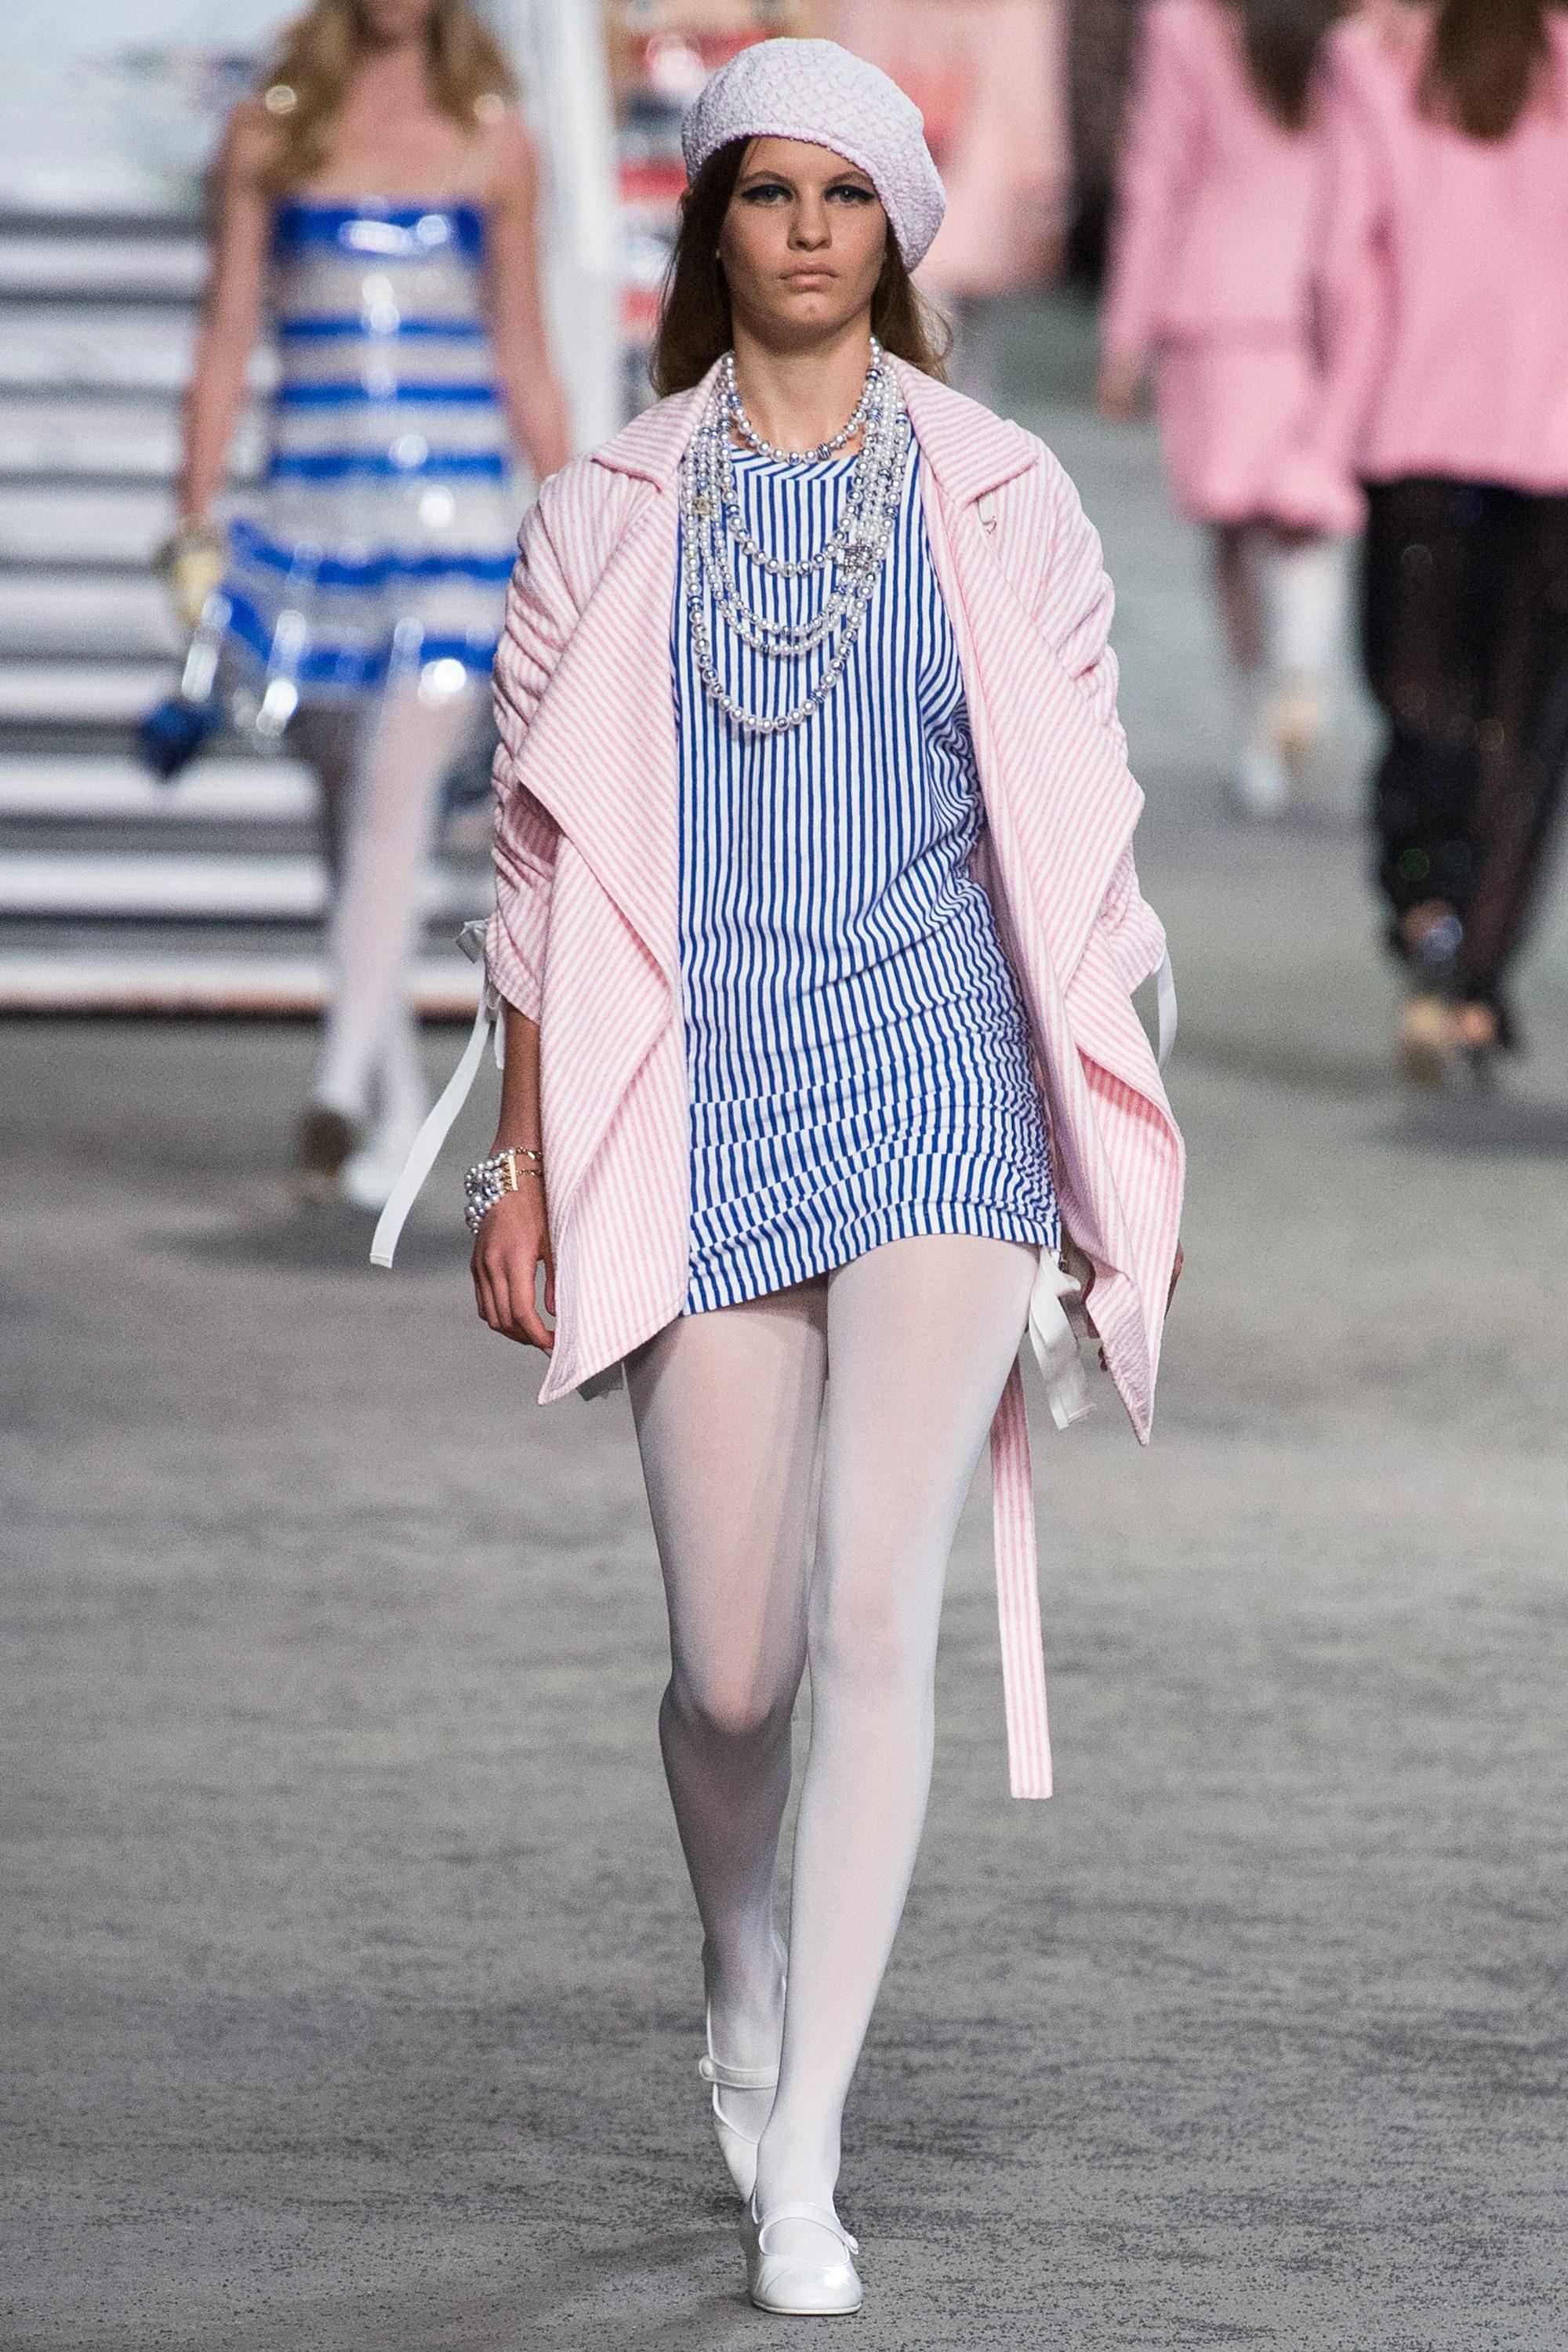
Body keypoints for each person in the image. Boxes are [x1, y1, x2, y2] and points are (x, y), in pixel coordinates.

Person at [459, 39, 1182, 2318]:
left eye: (841, 195)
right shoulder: (606, 508)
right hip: (697, 1081)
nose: (800, 229)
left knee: (880, 1619)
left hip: (937, 1073)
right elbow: (541, 862)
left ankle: (813, 2160)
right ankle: (740, 1959)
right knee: (739, 1670)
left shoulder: (1002, 494)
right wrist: (522, 1155)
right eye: (763, 191)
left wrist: (1076, 1126)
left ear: (897, 231)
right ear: (710, 226)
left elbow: (1070, 836)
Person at [170, 0, 569, 1204]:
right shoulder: (266, 134)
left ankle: (338, 1085)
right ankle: (395, 1117)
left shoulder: (496, 138)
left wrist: (584, 524)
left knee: (396, 793)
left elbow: (523, 350)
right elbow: (230, 332)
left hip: (456, 530)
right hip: (310, 532)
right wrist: (193, 525)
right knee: (352, 821)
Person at [1273, 0, 1568, 1082]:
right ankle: (1478, 980)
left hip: (1416, 432)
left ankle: (1427, 912)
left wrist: (1327, 434)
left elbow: (1345, 265)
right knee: (1529, 725)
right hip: (1555, 438)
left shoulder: (1376, 55)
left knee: (1420, 703)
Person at [1098, 0, 1348, 815]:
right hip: (1329, 298)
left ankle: (1254, 729)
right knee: (1304, 515)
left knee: (1234, 529)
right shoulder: (1360, 23)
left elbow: (1157, 171)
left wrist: (1125, 333)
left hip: (1217, 297)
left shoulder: (1188, 23)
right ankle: (1300, 669)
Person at [829, 0, 1071, 401]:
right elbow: (1034, 95)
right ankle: (966, 449)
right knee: (969, 361)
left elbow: (852, 77)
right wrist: (1047, 208)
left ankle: (937, 448)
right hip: (991, 193)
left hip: (903, 178)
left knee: (922, 354)